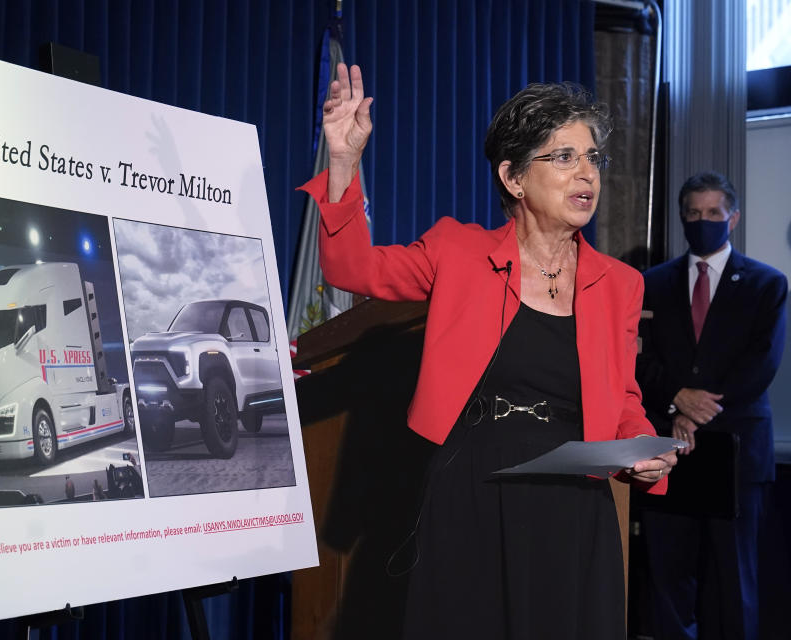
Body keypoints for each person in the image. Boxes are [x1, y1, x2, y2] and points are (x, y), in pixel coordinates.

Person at [299, 63, 677, 639]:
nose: (587, 175)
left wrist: (645, 449)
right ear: (514, 176)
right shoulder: (457, 250)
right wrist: (344, 163)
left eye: (593, 158)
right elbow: (350, 268)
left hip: (573, 501)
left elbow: (623, 395)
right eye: (564, 157)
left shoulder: (620, 283)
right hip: (472, 486)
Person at [636, 171, 788, 640]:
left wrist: (697, 409)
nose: (703, 221)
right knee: (667, 575)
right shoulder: (649, 283)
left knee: (733, 578)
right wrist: (675, 400)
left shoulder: (767, 283)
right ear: (683, 218)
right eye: (694, 214)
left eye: (713, 214)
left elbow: (762, 362)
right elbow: (637, 359)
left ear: (733, 218)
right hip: (667, 447)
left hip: (737, 453)